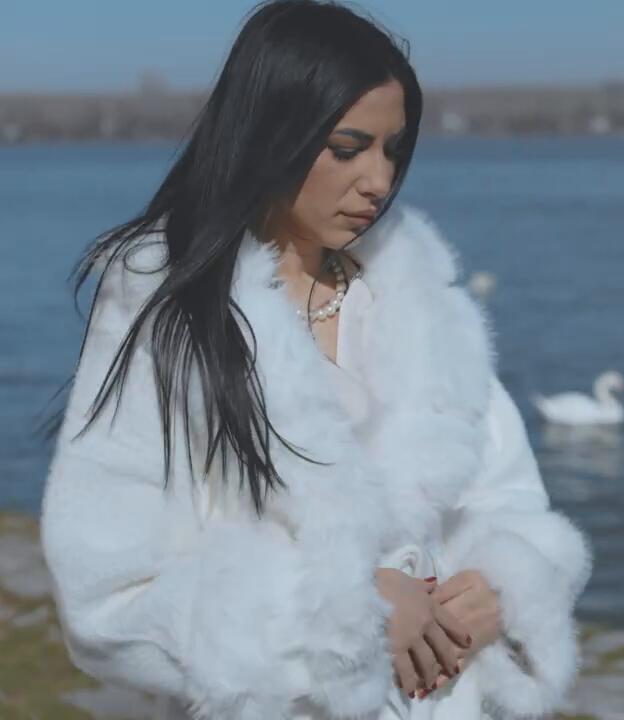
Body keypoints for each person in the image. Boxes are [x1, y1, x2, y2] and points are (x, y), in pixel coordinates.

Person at [38, 2, 592, 718]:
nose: (379, 180)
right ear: (271, 132)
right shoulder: (169, 310)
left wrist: (497, 587)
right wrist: (343, 616)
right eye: (347, 147)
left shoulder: (423, 307)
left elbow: (506, 501)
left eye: (393, 149)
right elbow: (106, 597)